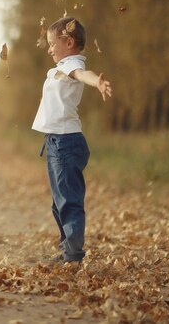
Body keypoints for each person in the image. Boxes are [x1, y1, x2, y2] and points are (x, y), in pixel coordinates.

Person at [32, 17, 112, 266]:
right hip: (57, 141)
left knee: (68, 201)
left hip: (66, 143)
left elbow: (82, 74)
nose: (49, 48)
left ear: (68, 42)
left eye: (52, 43)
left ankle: (73, 257)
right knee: (59, 203)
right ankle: (68, 249)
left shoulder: (72, 64)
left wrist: (96, 82)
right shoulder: (62, 66)